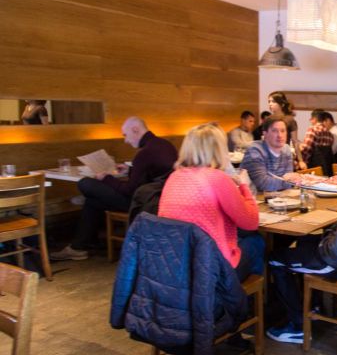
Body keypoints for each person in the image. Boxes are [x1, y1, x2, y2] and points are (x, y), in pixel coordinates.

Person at [266, 132, 337, 343]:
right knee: (305, 240)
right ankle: (313, 304)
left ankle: (297, 325)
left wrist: (325, 242)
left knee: (274, 258)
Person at [52, 117, 178, 260]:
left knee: (85, 183)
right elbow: (151, 174)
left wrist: (106, 178)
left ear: (136, 130)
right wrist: (130, 169)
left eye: (125, 135)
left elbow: (128, 190)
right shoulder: (164, 144)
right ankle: (81, 246)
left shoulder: (145, 153)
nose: (126, 140)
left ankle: (81, 245)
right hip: (158, 198)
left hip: (141, 204)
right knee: (92, 201)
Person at [157, 123, 264, 281]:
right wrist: (244, 186)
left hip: (176, 264)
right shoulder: (217, 178)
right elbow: (251, 221)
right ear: (218, 149)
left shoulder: (174, 177)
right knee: (256, 242)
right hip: (211, 270)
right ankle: (242, 299)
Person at [239, 115, 293, 192]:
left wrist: (290, 181)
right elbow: (264, 184)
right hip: (255, 200)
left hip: (279, 199)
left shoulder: (286, 149)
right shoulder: (255, 150)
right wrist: (289, 182)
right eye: (274, 131)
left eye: (283, 131)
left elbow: (290, 178)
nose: (280, 135)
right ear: (265, 134)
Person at [267, 91, 307, 170]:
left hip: (284, 155)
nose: (270, 104)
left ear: (282, 104)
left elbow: (295, 141)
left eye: (273, 101)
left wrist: (300, 160)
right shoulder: (269, 119)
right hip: (269, 156)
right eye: (269, 101)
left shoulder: (289, 120)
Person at [301, 110, 334, 175]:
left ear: (315, 119)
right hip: (326, 169)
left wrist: (301, 160)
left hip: (313, 167)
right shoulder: (330, 134)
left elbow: (306, 148)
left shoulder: (312, 129)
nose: (310, 121)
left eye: (311, 119)